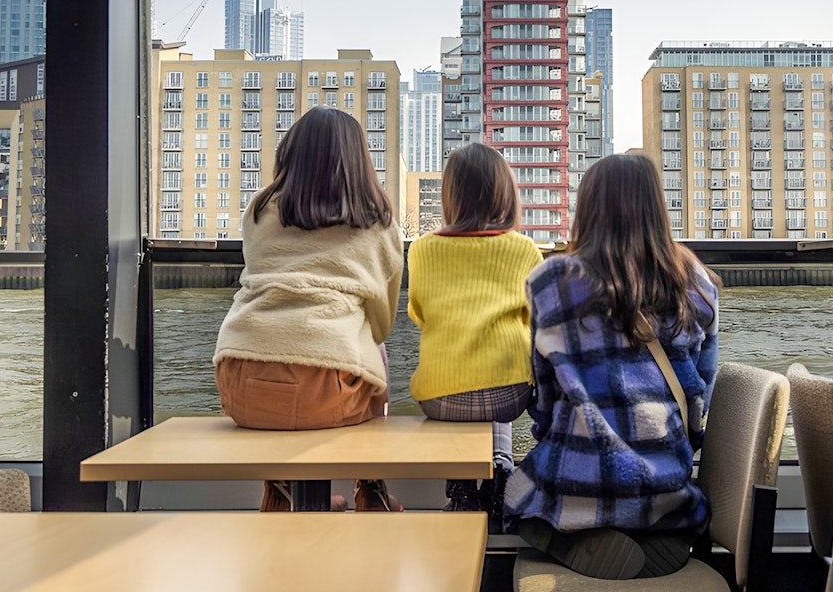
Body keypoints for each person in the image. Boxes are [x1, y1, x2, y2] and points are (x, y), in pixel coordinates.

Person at [504, 153, 721, 579]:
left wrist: (549, 433)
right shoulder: (698, 282)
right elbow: (701, 393)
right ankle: (655, 532)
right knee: (668, 500)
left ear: (587, 209)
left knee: (516, 498)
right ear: (656, 209)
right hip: (663, 486)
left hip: (575, 479)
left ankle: (575, 533)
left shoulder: (552, 281)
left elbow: (544, 394)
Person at [213, 106, 404, 512]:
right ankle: (372, 489)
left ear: (289, 153)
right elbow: (382, 319)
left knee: (279, 345)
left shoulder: (260, 210)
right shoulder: (378, 220)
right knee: (373, 349)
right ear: (358, 162)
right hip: (327, 391)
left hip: (240, 381)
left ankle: (281, 493)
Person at [407, 142, 544, 523]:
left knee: (466, 377)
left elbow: (420, 313)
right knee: (499, 376)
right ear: (505, 193)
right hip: (510, 395)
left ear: (450, 195)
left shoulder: (420, 250)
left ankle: (463, 489)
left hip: (438, 396)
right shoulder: (525, 250)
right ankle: (501, 469)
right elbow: (536, 323)